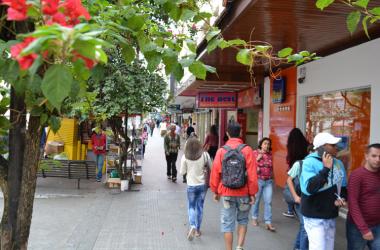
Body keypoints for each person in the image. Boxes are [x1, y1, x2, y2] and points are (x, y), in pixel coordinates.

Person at [210, 122, 258, 250]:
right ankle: (239, 247)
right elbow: (252, 175)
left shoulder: (221, 151)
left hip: (226, 193)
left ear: (227, 133)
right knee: (242, 221)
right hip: (244, 193)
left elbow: (215, 173)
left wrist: (215, 191)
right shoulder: (247, 150)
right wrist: (252, 193)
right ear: (240, 133)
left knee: (227, 224)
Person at [300, 132, 347, 250]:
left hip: (330, 214)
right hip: (314, 215)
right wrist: (325, 169)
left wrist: (341, 198)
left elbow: (343, 186)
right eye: (333, 145)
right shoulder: (308, 162)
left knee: (328, 247)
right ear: (322, 147)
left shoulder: (339, 163)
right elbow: (309, 188)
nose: (337, 148)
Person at [346, 143, 380, 250]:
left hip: (378, 225)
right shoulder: (357, 175)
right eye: (374, 156)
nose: (378, 159)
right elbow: (353, 203)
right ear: (366, 156)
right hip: (357, 227)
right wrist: (364, 229)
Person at [180, 137, 212, 240]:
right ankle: (197, 230)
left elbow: (182, 172)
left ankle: (192, 225)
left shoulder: (185, 157)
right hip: (202, 185)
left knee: (191, 207)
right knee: (200, 207)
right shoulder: (205, 155)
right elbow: (211, 167)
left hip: (191, 185)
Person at [285, 128, 310, 250]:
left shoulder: (292, 149)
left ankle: (298, 247)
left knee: (304, 224)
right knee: (304, 224)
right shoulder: (307, 147)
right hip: (305, 187)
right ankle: (298, 247)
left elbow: (289, 177)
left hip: (297, 184)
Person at [251, 137, 276, 232]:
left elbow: (272, 167)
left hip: (268, 181)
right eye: (265, 143)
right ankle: (254, 217)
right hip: (258, 180)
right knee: (256, 200)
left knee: (268, 201)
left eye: (268, 144)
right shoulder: (255, 153)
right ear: (261, 144)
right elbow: (250, 166)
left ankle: (268, 221)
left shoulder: (270, 155)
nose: (267, 146)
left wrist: (274, 178)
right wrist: (257, 159)